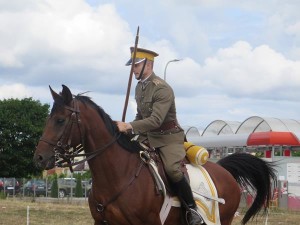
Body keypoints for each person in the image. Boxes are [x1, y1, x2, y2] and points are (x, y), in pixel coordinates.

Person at [116, 47, 203, 225]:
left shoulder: (162, 89)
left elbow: (155, 120)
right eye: (132, 66)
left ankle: (192, 210)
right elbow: (141, 117)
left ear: (148, 64)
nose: (133, 69)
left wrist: (129, 125)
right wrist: (128, 130)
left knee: (172, 169)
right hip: (147, 137)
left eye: (136, 65)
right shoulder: (140, 87)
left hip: (168, 138)